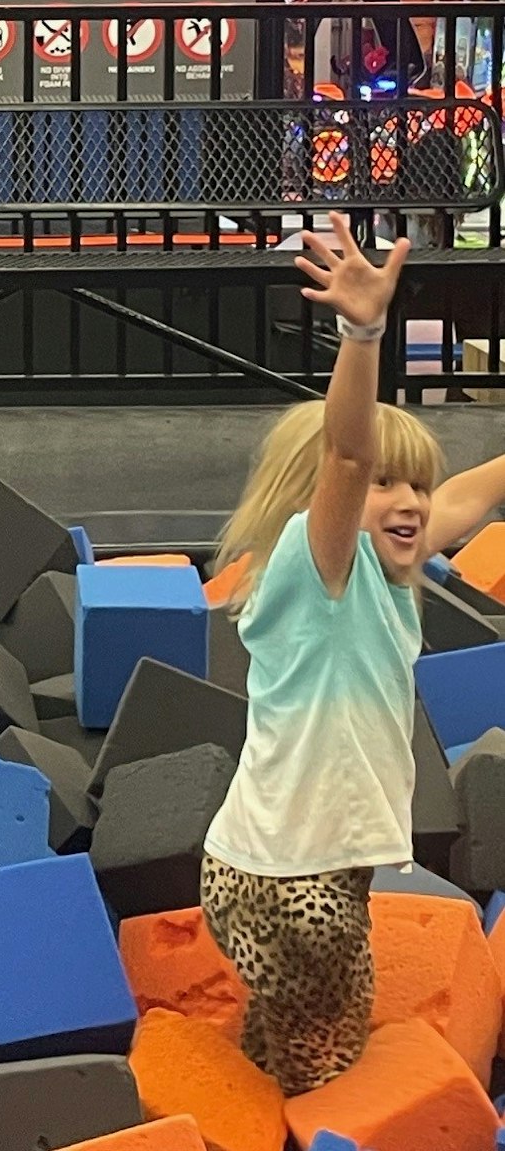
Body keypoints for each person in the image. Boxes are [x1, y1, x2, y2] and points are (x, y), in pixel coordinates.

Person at [201, 211, 505, 1096]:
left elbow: (478, 491)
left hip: (317, 866)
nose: (408, 500)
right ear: (325, 505)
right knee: (332, 1062)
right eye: (385, 485)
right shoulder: (319, 568)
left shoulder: (391, 565)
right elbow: (343, 451)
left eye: (416, 483)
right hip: (283, 881)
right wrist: (364, 334)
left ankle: (248, 1087)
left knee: (305, 1037)